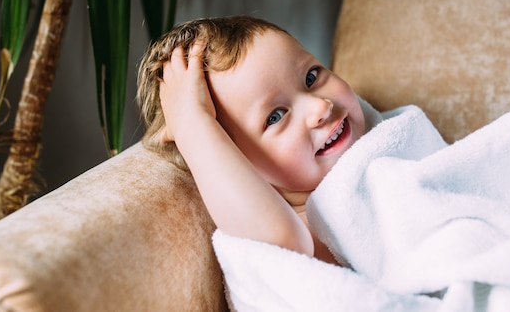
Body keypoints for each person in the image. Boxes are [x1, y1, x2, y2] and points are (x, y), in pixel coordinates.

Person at [137, 15, 367, 264]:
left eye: (311, 77)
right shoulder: (299, 228)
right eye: (276, 116)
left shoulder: (389, 139)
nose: (320, 108)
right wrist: (192, 126)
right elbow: (284, 242)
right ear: (236, 161)